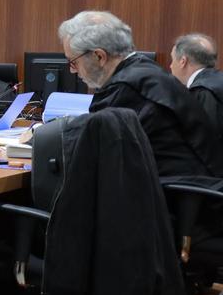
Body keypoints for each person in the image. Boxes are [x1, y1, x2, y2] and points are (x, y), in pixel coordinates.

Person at [58, 11, 223, 179]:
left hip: (177, 196)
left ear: (99, 56)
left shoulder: (124, 89)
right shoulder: (148, 72)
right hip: (199, 188)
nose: (72, 70)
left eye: (73, 61)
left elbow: (94, 154)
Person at [171, 33, 223, 140]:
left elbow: (205, 140)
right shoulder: (217, 81)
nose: (170, 65)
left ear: (183, 61)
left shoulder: (203, 91)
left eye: (172, 59)